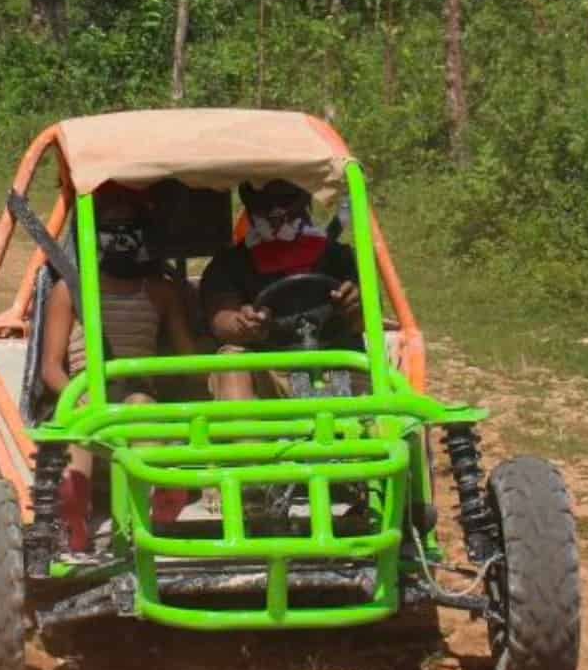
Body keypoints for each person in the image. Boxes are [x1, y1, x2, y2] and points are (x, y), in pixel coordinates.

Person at [37, 182, 197, 550]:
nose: (121, 236)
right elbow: (50, 367)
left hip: (139, 393)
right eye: (112, 225)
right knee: (84, 423)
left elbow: (187, 357)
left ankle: (153, 510)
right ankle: (73, 516)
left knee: (140, 405)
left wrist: (190, 301)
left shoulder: (160, 291)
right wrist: (77, 399)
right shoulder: (70, 291)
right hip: (83, 391)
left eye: (130, 224)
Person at [200, 178, 365, 401]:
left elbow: (366, 322)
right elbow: (221, 318)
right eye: (263, 198)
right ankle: (247, 435)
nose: (275, 210)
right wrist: (242, 323)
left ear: (303, 197)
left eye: (283, 197)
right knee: (231, 361)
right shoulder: (229, 263)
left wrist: (354, 307)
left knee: (365, 373)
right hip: (270, 371)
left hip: (337, 366)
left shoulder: (338, 256)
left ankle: (361, 427)